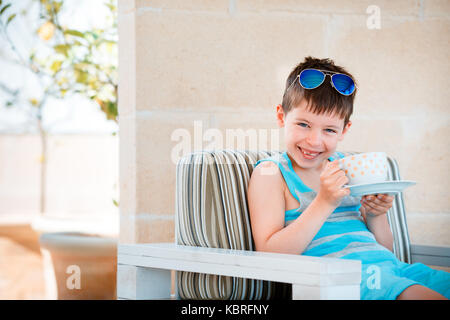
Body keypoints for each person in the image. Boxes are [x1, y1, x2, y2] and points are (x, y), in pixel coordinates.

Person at [247, 56, 449, 300]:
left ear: (344, 130)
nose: (314, 141)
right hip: (340, 281)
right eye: (303, 124)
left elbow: (383, 250)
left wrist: (376, 215)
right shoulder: (271, 174)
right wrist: (323, 203)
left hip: (390, 270)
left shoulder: (346, 168)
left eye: (329, 130)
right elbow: (270, 258)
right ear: (281, 117)